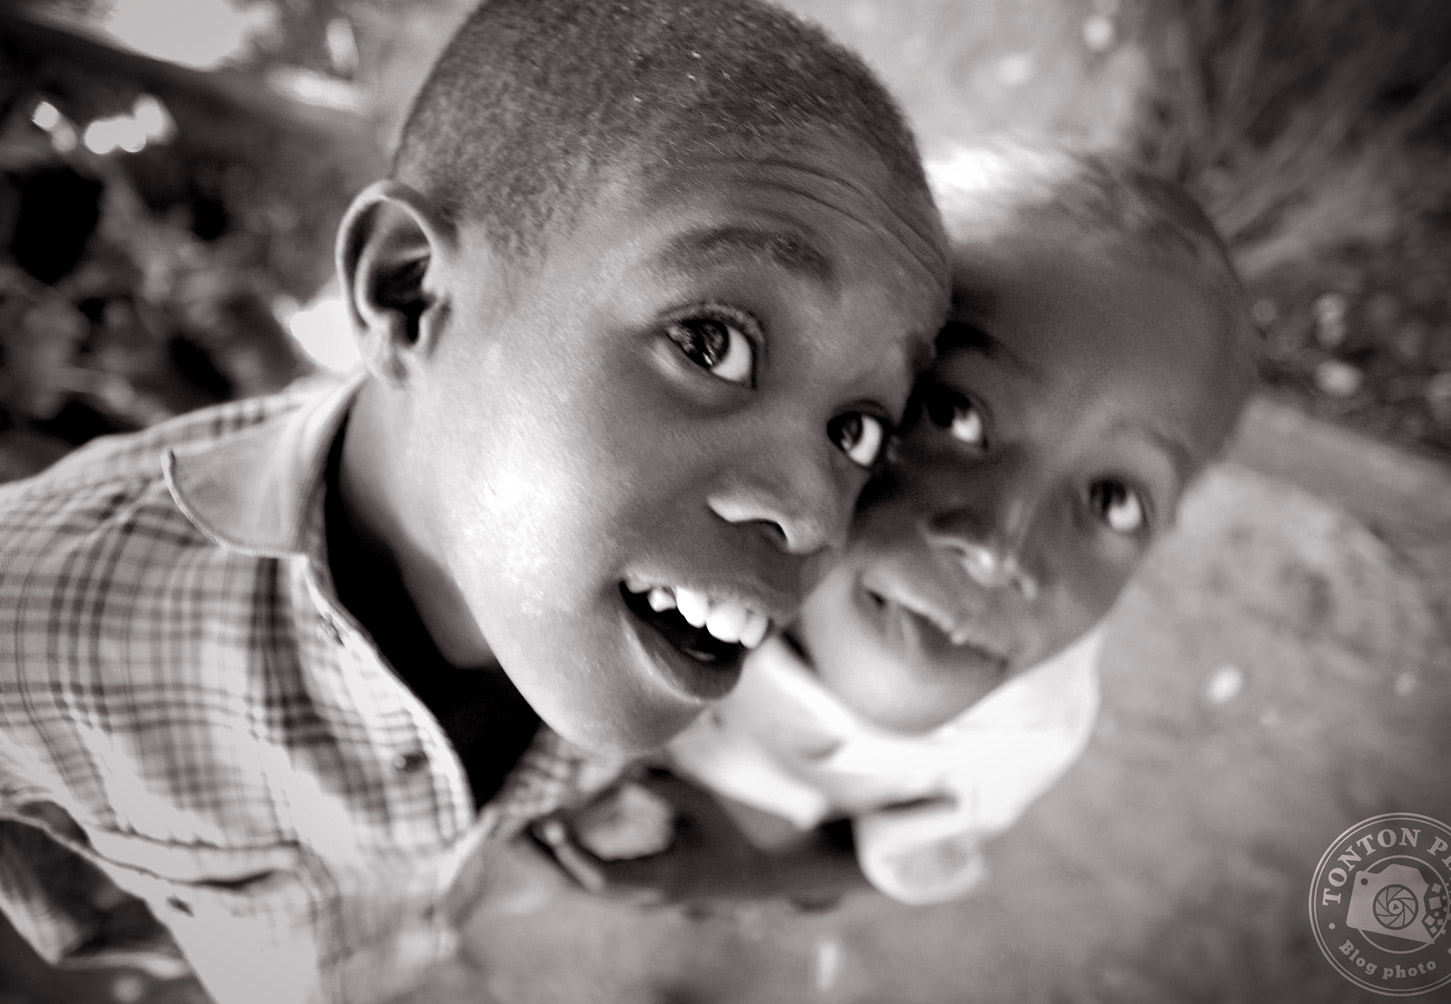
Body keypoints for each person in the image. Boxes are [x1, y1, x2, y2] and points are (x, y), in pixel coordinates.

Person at [0, 2, 951, 1001]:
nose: (811, 514)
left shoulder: (610, 608)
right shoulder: (47, 619)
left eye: (858, 430)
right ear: (411, 293)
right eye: (711, 342)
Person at [556, 141, 1257, 908]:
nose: (998, 549)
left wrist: (756, 875)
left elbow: (906, 848)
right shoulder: (674, 515)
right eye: (953, 414)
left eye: (1114, 500)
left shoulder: (1023, 732)